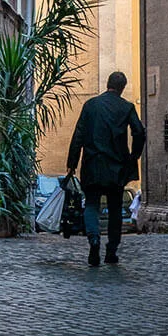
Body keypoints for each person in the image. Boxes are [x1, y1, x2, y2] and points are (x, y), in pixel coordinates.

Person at [66, 70, 146, 267]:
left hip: (92, 164)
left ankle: (94, 239)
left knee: (91, 204)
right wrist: (134, 156)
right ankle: (111, 250)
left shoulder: (90, 105)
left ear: (107, 84)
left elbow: (78, 135)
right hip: (116, 166)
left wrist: (72, 164)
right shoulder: (126, 107)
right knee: (115, 208)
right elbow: (139, 132)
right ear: (122, 88)